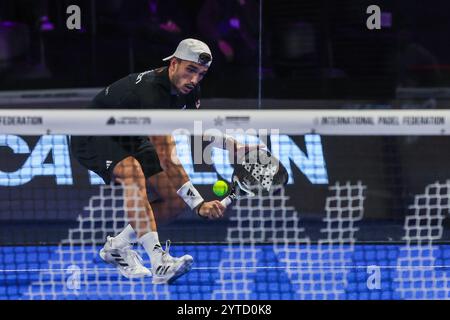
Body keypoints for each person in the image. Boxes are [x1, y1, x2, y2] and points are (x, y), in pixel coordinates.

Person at [70, 38, 252, 284]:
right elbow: (167, 156)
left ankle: (117, 247)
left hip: (130, 134)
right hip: (92, 134)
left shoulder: (189, 91)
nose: (195, 79)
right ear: (174, 64)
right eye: (190, 70)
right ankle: (159, 262)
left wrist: (233, 145)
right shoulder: (151, 92)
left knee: (175, 201)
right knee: (132, 172)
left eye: (201, 73)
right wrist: (199, 205)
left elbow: (194, 129)